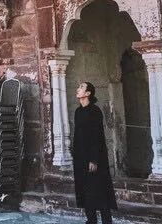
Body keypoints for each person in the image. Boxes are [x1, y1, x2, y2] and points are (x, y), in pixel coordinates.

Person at [71, 82, 117, 224]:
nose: (78, 89)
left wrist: (94, 159)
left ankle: (107, 221)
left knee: (99, 190)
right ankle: (91, 220)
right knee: (85, 190)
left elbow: (97, 136)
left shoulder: (95, 111)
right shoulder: (78, 112)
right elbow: (78, 135)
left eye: (81, 87)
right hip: (81, 157)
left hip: (94, 158)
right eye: (78, 87)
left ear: (88, 93)